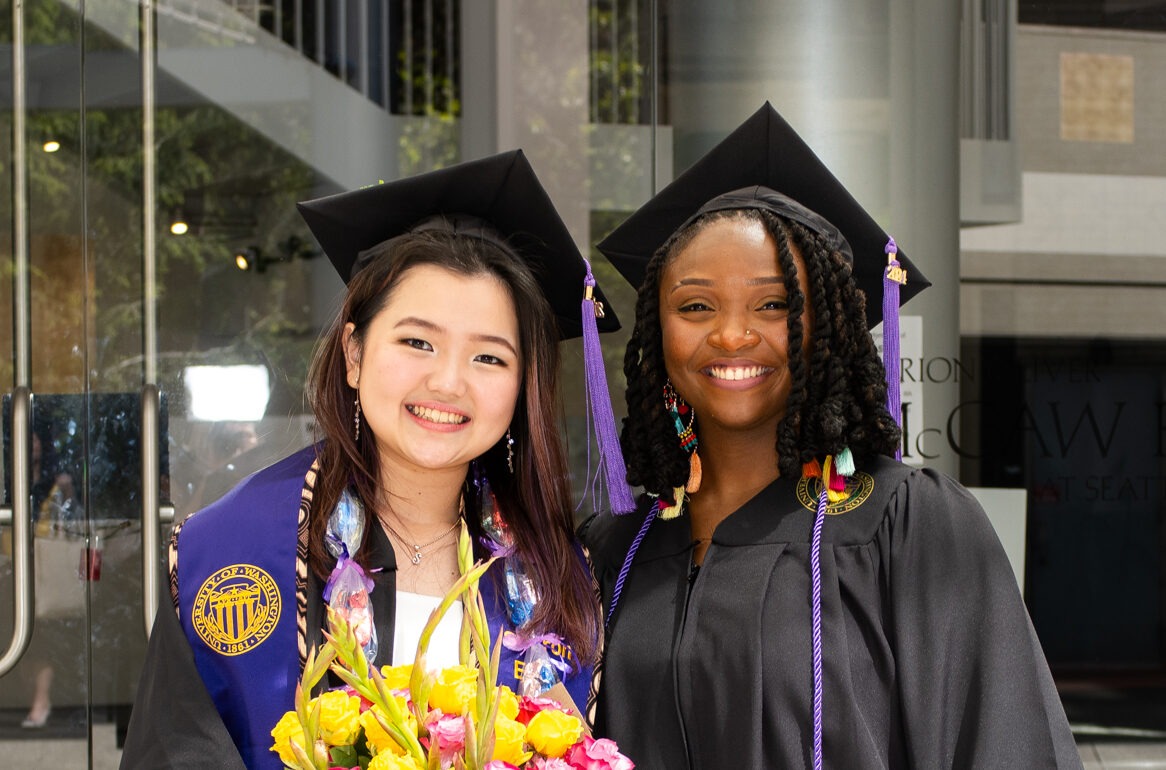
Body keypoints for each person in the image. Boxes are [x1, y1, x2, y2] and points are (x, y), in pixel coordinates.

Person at [580, 104, 1082, 769]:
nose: (732, 335)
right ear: (658, 331)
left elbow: (1002, 746)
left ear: (832, 329)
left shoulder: (907, 523)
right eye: (696, 305)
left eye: (776, 303)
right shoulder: (615, 547)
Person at [121, 150, 626, 769]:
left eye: (489, 357)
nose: (448, 382)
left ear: (522, 386)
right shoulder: (235, 551)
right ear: (354, 355)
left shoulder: (557, 577)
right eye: (417, 342)